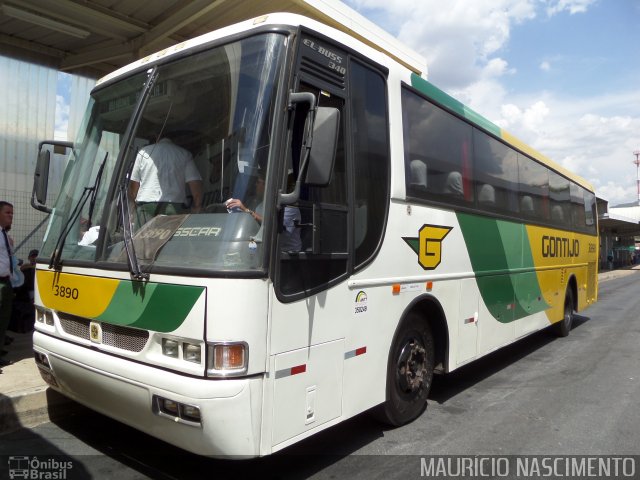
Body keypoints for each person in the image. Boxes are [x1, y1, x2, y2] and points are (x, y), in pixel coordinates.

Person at [129, 136, 203, 226]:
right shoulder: (184, 154)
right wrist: (196, 208)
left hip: (145, 209)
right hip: (174, 209)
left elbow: (134, 187)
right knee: (173, 240)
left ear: (157, 138)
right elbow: (195, 187)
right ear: (175, 140)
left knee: (142, 239)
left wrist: (133, 209)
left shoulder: (143, 153)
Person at [0, 200, 14, 368]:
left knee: (4, 320)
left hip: (6, 281)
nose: (11, 216)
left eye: (12, 213)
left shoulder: (5, 235)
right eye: (7, 213)